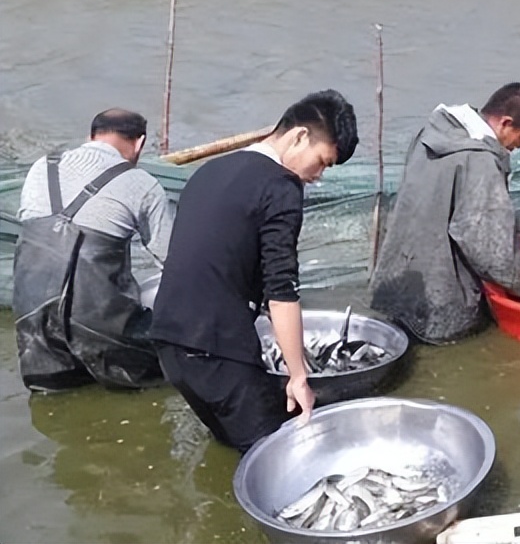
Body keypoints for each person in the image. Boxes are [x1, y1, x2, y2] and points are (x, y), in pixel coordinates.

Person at [149, 90, 358, 453]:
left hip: (169, 342)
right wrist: (298, 376)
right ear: (300, 136)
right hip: (214, 350)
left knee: (233, 445)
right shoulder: (281, 185)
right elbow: (282, 288)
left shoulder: (210, 170)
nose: (318, 176)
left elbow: (218, 256)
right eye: (322, 162)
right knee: (276, 454)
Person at [369, 83, 520, 344]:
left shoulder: (432, 131)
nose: (519, 145)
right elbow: (491, 251)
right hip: (438, 305)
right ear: (506, 123)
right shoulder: (481, 162)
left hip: (396, 282)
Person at [13, 108, 173, 392]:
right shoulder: (142, 184)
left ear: (90, 136)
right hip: (101, 327)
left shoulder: (41, 167)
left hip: (32, 322)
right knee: (158, 376)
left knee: (53, 400)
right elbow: (173, 264)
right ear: (139, 143)